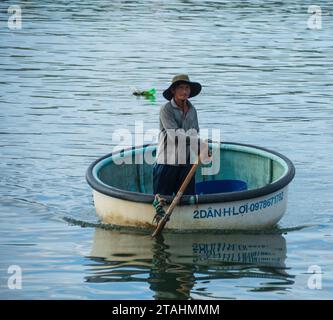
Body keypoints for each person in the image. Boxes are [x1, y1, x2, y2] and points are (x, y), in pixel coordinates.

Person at [152, 75, 210, 222]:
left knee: (187, 201)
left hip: (186, 163)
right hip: (167, 163)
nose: (185, 91)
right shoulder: (166, 109)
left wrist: (202, 149)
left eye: (187, 88)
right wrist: (199, 142)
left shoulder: (192, 110)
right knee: (161, 201)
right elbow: (174, 135)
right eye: (181, 88)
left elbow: (195, 132)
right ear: (173, 91)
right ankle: (159, 220)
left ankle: (185, 224)